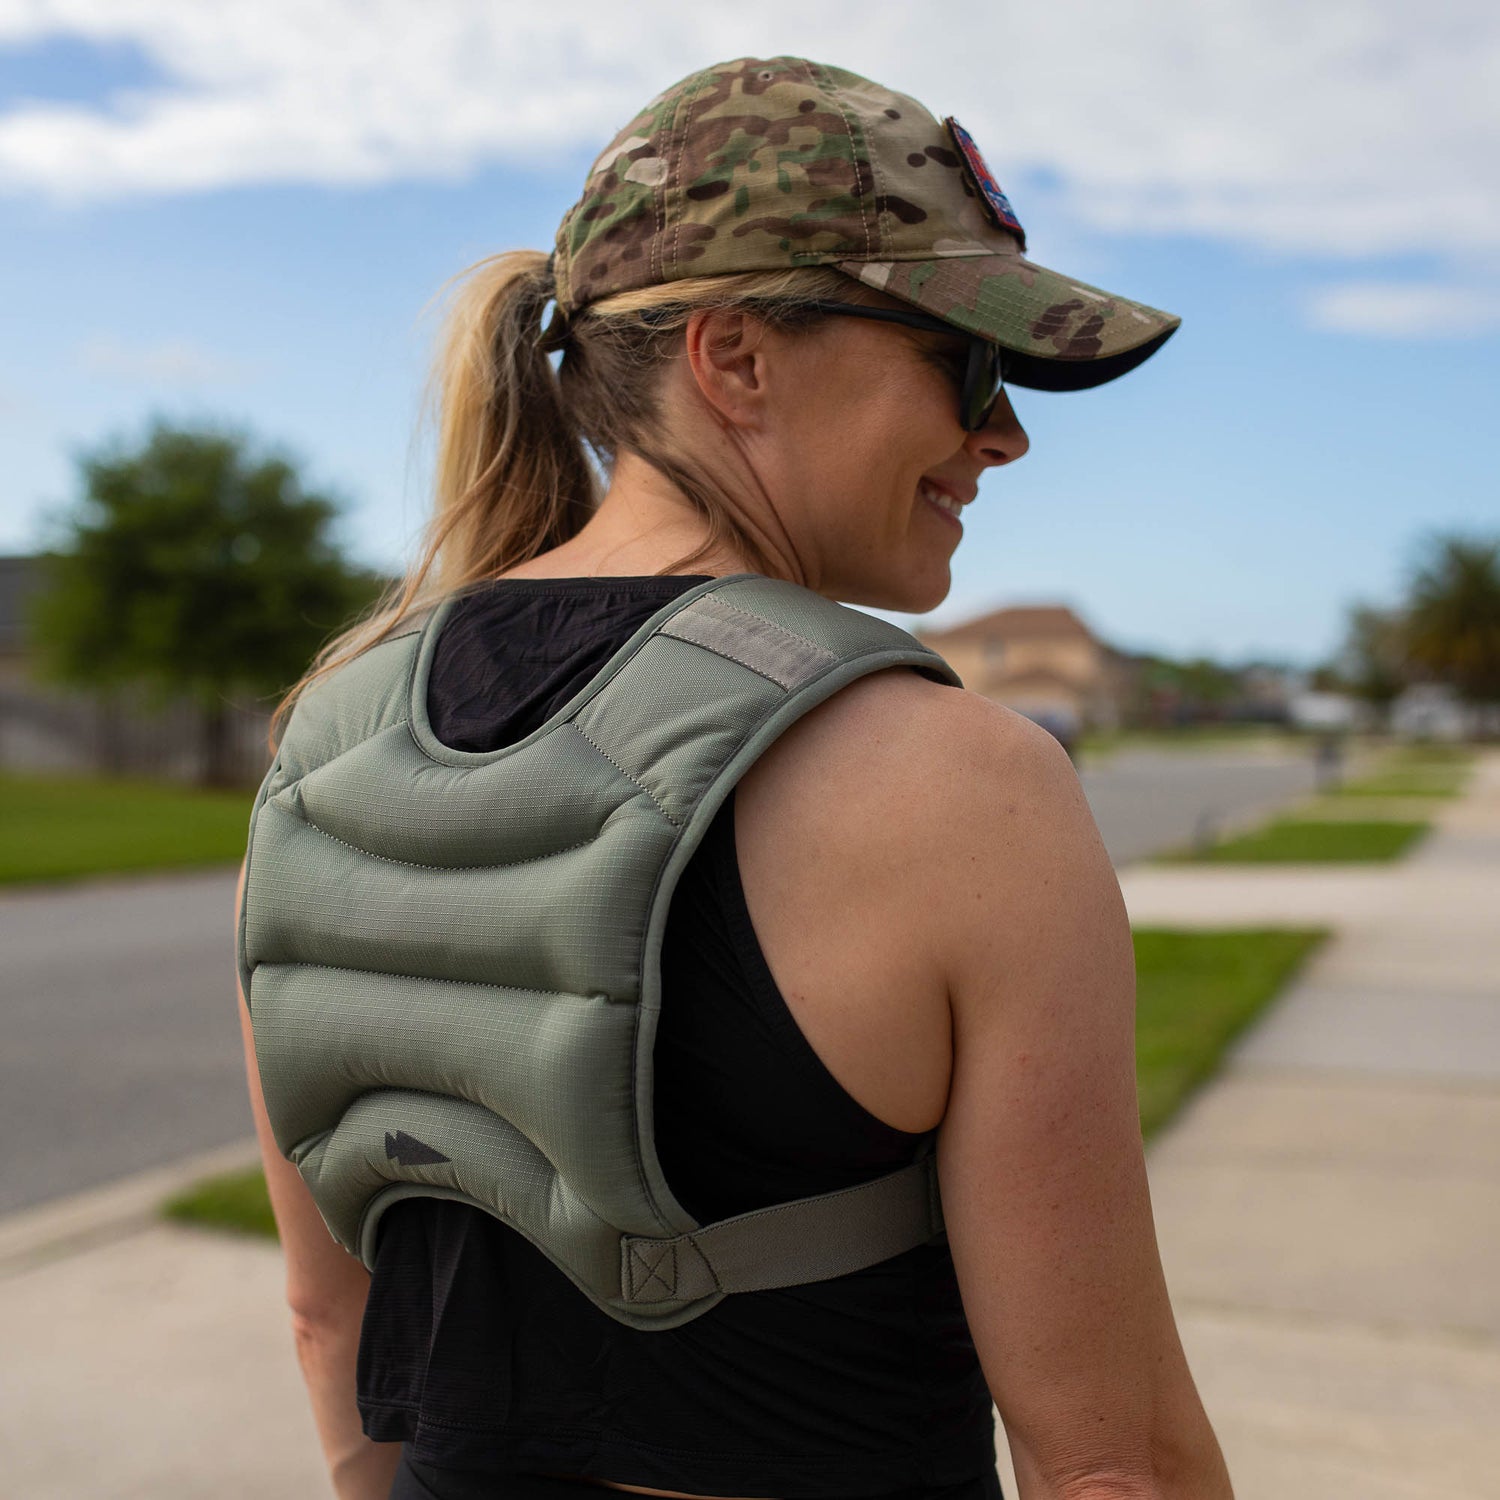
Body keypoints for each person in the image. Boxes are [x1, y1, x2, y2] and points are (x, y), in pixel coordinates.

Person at [235, 55, 1234, 1500]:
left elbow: (330, 1318)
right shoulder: (965, 789)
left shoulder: (328, 740)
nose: (1004, 434)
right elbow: (1111, 1457)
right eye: (966, 364)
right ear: (737, 358)